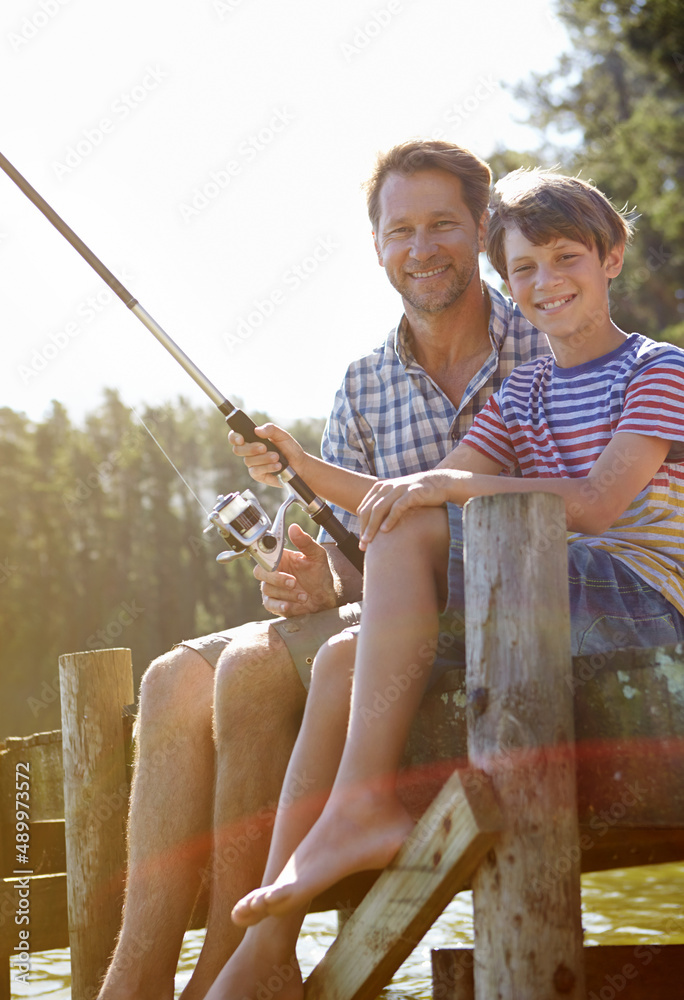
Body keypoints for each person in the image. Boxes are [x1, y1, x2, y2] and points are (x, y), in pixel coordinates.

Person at [206, 167, 684, 1000]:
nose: (545, 282)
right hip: (543, 597)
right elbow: (423, 487)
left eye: (566, 257)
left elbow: (602, 504)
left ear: (610, 259)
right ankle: (266, 949)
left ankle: (356, 810)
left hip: (642, 605)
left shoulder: (657, 369)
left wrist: (449, 490)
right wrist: (300, 465)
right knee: (342, 659)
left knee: (416, 517)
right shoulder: (525, 390)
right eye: (524, 270)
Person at [97, 140, 550, 1000]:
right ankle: (133, 981)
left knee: (255, 668)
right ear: (376, 243)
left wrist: (344, 580)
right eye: (400, 229)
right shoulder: (361, 383)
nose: (422, 248)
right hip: (381, 608)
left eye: (444, 225)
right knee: (168, 680)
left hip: (486, 616)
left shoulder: (546, 327)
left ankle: (230, 968)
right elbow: (353, 558)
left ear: (483, 228)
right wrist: (319, 583)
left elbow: (478, 505)